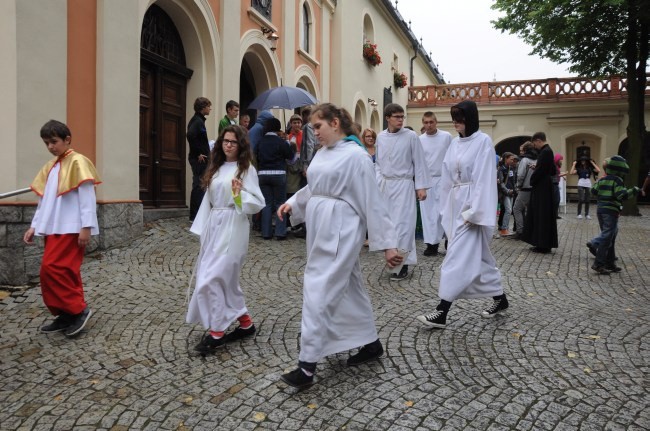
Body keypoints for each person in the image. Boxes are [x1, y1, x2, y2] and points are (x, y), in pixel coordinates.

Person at [276, 103, 403, 388]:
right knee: (349, 287)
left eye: (318, 127)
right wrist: (293, 203)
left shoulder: (356, 157)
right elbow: (315, 188)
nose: (314, 133)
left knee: (319, 288)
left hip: (340, 230)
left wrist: (388, 245)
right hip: (321, 230)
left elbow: (373, 200)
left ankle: (306, 366)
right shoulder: (323, 154)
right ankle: (371, 344)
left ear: (335, 123)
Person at [416, 101, 508, 329]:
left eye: (460, 118)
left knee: (455, 256)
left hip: (472, 209)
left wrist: (475, 211)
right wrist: (446, 208)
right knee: (480, 259)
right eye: (454, 118)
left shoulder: (483, 142)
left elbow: (484, 178)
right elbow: (447, 176)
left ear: (470, 119)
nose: (456, 123)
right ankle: (500, 298)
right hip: (457, 205)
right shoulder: (455, 143)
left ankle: (442, 311)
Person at [187, 125, 265, 354]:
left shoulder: (246, 169)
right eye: (225, 141)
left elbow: (258, 202)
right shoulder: (217, 167)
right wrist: (203, 229)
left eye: (233, 141)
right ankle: (245, 324)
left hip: (234, 225)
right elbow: (209, 201)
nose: (228, 145)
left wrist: (239, 194)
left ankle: (217, 332)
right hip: (216, 225)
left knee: (212, 278)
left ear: (241, 145)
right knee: (225, 279)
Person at [23, 120, 101, 337]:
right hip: (53, 227)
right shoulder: (51, 166)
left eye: (54, 142)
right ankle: (66, 313)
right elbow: (44, 201)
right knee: (55, 271)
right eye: (46, 143)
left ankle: (79, 310)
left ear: (67, 139)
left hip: (71, 227)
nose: (50, 147)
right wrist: (34, 226)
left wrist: (86, 226)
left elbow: (87, 197)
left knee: (55, 268)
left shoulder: (78, 162)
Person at [375, 103, 431, 280]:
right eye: (397, 117)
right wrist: (377, 182)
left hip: (404, 186)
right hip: (385, 186)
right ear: (387, 118)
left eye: (402, 117)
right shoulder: (380, 137)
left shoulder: (411, 136)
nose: (400, 120)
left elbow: (419, 162)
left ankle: (403, 263)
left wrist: (420, 186)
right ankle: (393, 258)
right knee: (388, 225)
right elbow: (378, 163)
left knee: (403, 226)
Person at [587, 156, 639, 274]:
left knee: (611, 235)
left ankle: (610, 263)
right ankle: (598, 262)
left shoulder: (602, 179)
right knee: (607, 236)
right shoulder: (617, 180)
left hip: (600, 210)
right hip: (610, 211)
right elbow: (621, 195)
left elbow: (593, 191)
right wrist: (633, 191)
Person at [255, 117, 296, 240]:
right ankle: (280, 232)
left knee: (266, 204)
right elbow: (291, 157)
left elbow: (256, 156)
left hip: (262, 174)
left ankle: (266, 233)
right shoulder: (280, 142)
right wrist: (288, 143)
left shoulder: (260, 142)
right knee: (280, 203)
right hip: (278, 174)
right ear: (278, 128)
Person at [418, 112, 452, 256]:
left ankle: (449, 241)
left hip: (444, 179)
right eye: (426, 122)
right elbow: (418, 162)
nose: (429, 125)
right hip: (427, 181)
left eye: (431, 122)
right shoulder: (419, 139)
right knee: (428, 215)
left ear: (436, 122)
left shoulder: (446, 137)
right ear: (423, 123)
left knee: (444, 212)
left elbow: (452, 156)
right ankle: (431, 245)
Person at [522, 132, 558, 253]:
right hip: (545, 186)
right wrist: (537, 167)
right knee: (543, 214)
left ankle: (542, 244)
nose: (534, 146)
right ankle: (542, 243)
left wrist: (532, 179)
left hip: (541, 187)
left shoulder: (545, 152)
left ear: (538, 140)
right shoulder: (548, 151)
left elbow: (542, 171)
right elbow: (552, 170)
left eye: (534, 143)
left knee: (541, 214)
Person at [187, 97, 212, 221]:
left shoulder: (199, 120)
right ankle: (195, 215)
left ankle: (197, 214)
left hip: (201, 159)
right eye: (208, 106)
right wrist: (198, 153)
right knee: (198, 185)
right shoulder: (197, 121)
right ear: (203, 108)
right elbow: (190, 135)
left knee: (200, 185)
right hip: (199, 160)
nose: (210, 108)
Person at [512, 141, 537, 238]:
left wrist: (518, 185)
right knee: (529, 210)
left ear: (526, 150)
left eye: (522, 150)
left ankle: (521, 231)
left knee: (516, 209)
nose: (521, 152)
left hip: (525, 188)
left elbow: (520, 175)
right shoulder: (537, 160)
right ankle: (528, 230)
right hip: (534, 189)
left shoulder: (525, 160)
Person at [497, 152, 518, 236]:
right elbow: (501, 183)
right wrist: (507, 191)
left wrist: (514, 189)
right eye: (511, 159)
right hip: (505, 193)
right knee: (508, 210)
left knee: (509, 210)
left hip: (511, 192)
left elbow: (513, 180)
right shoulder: (501, 169)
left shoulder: (512, 168)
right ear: (506, 159)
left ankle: (506, 228)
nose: (513, 160)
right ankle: (503, 229)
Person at [553, 153, 566, 219]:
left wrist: (563, 175)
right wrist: (563, 175)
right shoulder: (554, 166)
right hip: (554, 184)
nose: (561, 161)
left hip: (556, 184)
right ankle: (554, 215)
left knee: (557, 200)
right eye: (560, 159)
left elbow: (557, 174)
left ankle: (555, 214)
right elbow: (555, 175)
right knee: (556, 200)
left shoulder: (556, 166)